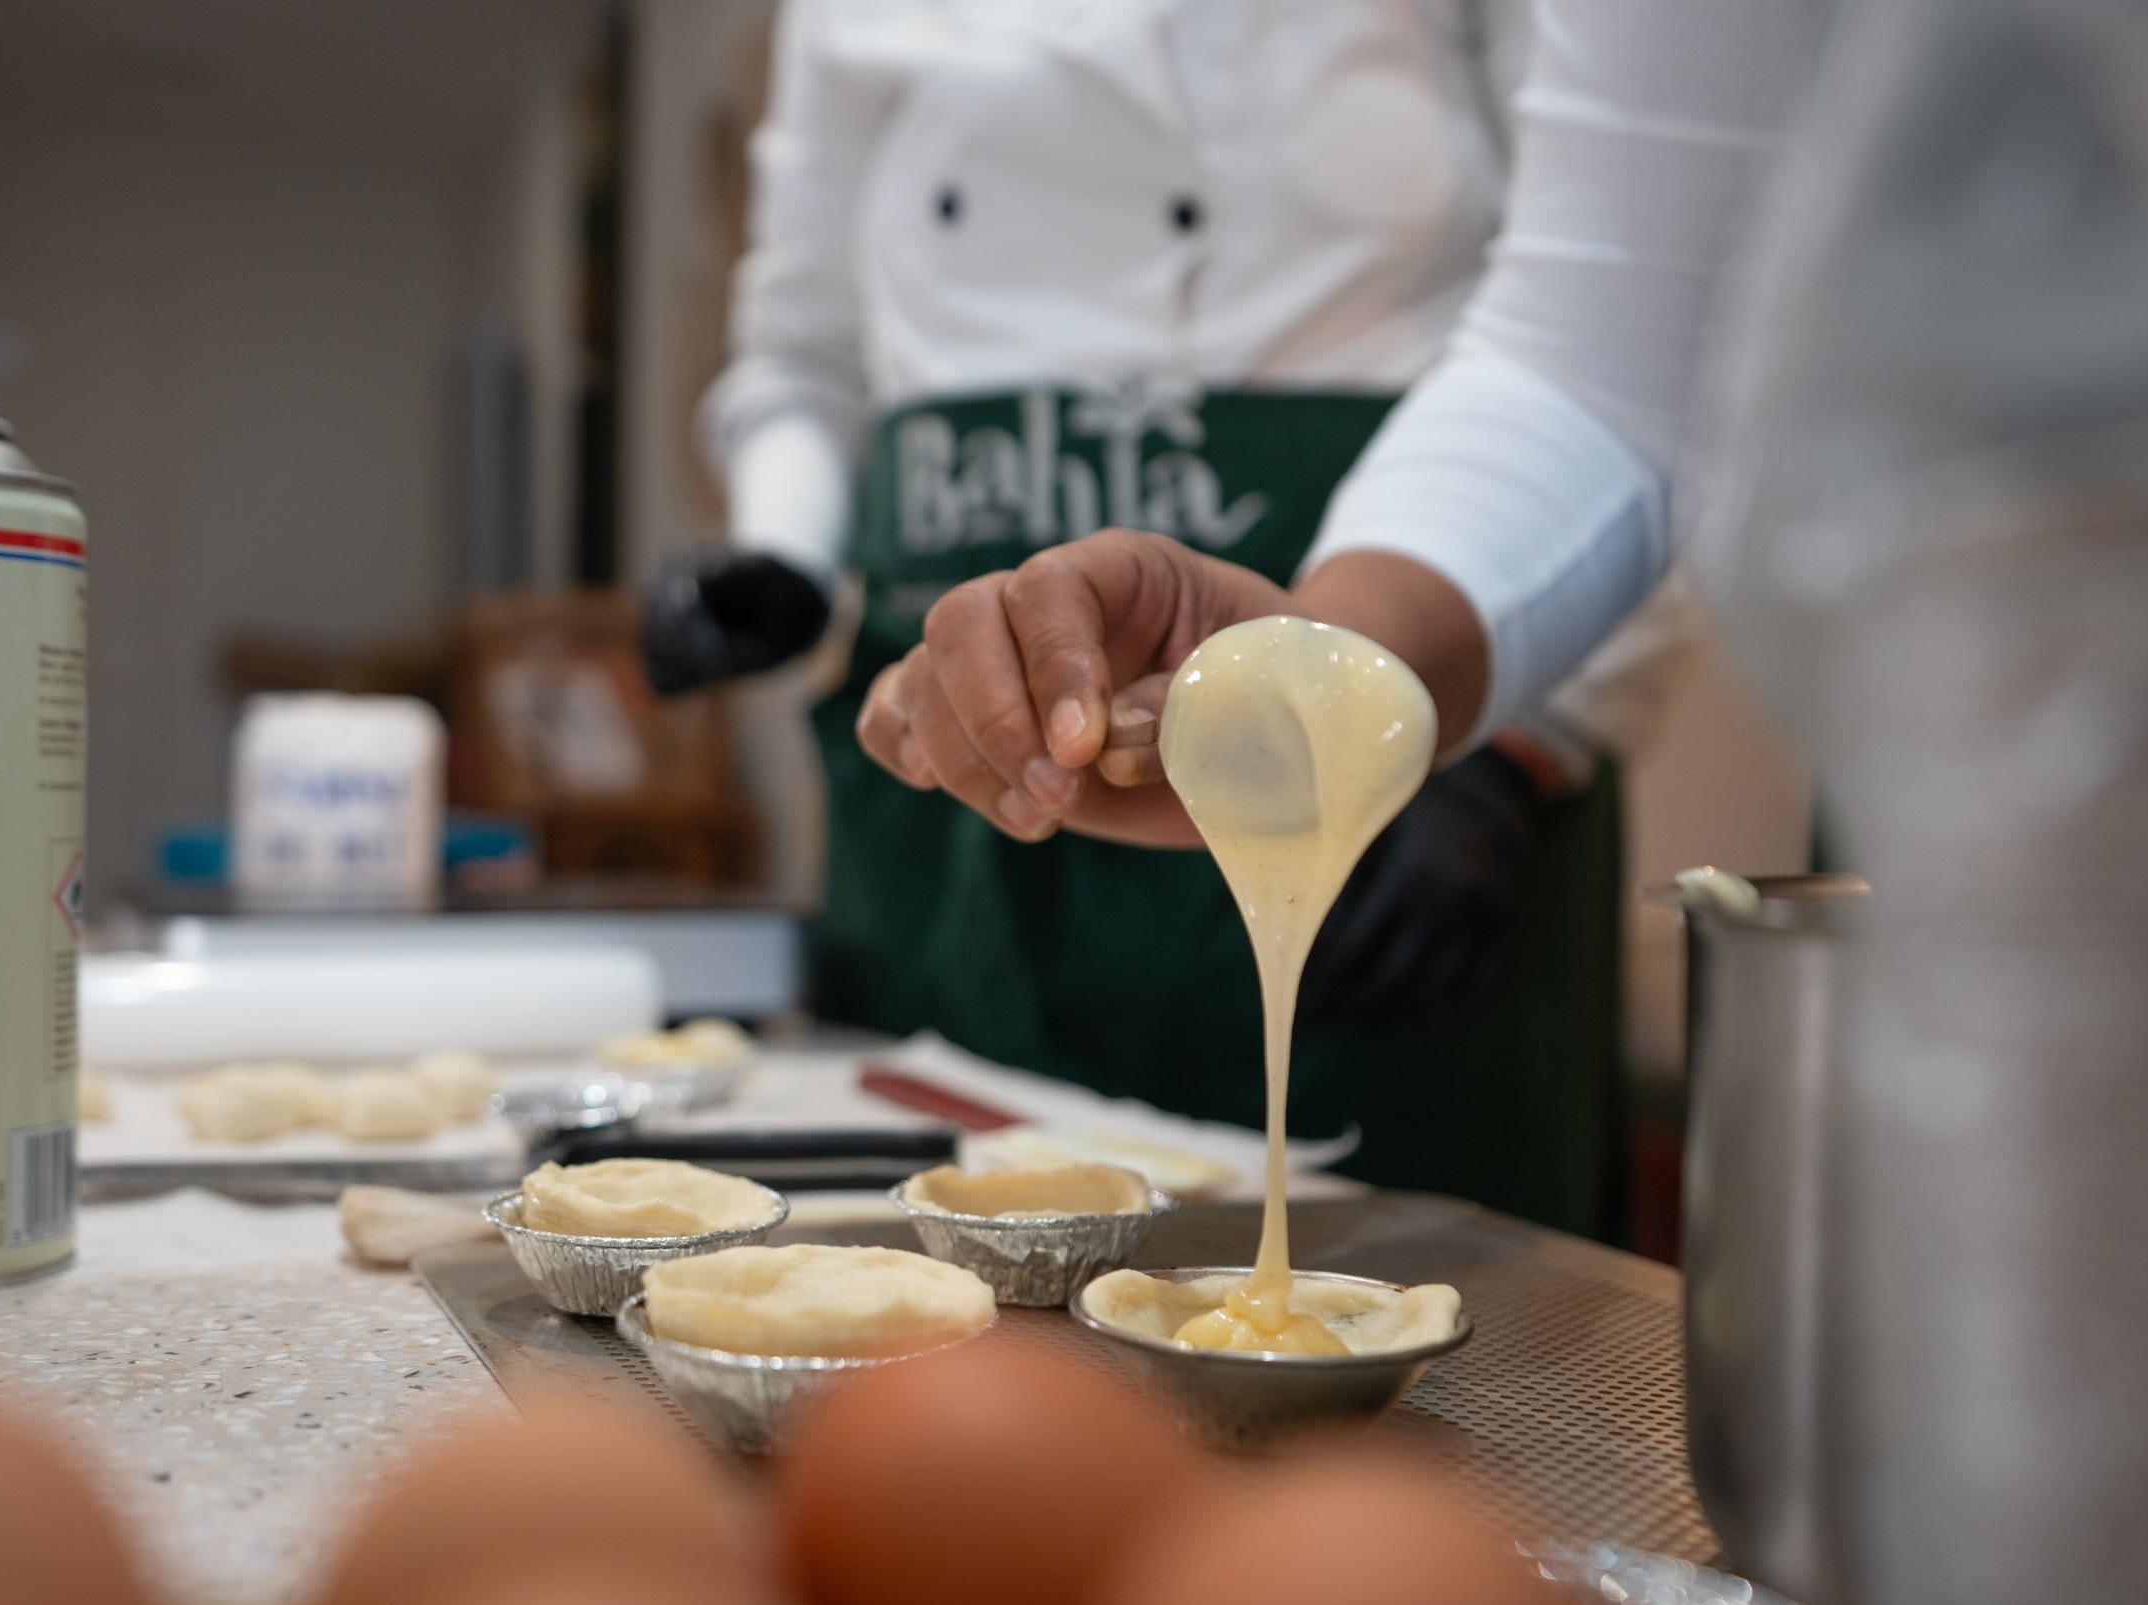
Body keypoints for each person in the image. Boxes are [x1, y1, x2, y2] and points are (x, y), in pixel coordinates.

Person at [644, 0, 1707, 1238]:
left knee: (1409, 1288)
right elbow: (804, 349)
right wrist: (783, 541)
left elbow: (1623, 347)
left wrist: (1524, 742)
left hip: (1410, 718)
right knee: (944, 1266)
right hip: (972, 768)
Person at [860, 0, 1829, 827]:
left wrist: (1524, 741)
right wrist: (1330, 671)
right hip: (1348, 611)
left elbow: (1662, 337)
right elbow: (1609, 352)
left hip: (1456, 613)